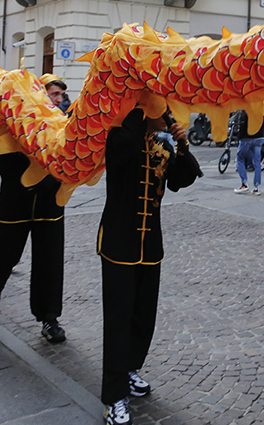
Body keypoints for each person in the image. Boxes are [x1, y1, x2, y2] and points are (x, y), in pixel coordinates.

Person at [98, 109, 202, 425]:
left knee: (144, 315)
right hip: (118, 243)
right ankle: (113, 397)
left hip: (149, 246)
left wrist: (182, 144)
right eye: (162, 109)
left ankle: (130, 368)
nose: (168, 115)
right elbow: (123, 151)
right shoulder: (119, 136)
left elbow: (182, 179)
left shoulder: (163, 145)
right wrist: (137, 111)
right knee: (118, 320)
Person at [0, 87, 69, 344]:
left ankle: (49, 318)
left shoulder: (63, 126)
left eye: (60, 94)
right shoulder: (14, 123)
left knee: (50, 262)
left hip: (49, 205)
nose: (59, 99)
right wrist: (26, 148)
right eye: (54, 93)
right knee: (0, 258)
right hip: (14, 203)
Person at [233, 110, 264, 195]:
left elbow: (243, 125)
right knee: (257, 162)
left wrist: (239, 136)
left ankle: (244, 184)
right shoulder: (261, 110)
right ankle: (257, 187)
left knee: (240, 158)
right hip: (259, 138)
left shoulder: (246, 111)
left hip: (247, 138)